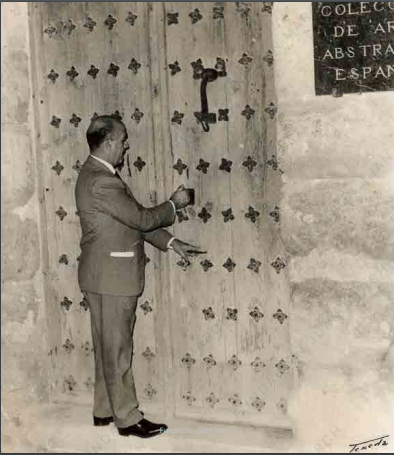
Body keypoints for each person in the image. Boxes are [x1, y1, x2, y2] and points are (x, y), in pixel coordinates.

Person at [75, 115, 203, 438]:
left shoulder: (96, 175)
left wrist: (172, 243)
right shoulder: (103, 181)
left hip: (101, 275)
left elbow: (129, 223)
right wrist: (174, 205)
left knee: (107, 344)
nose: (126, 145)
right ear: (108, 144)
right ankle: (128, 419)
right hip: (112, 277)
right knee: (117, 348)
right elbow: (142, 218)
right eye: (123, 140)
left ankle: (104, 411)